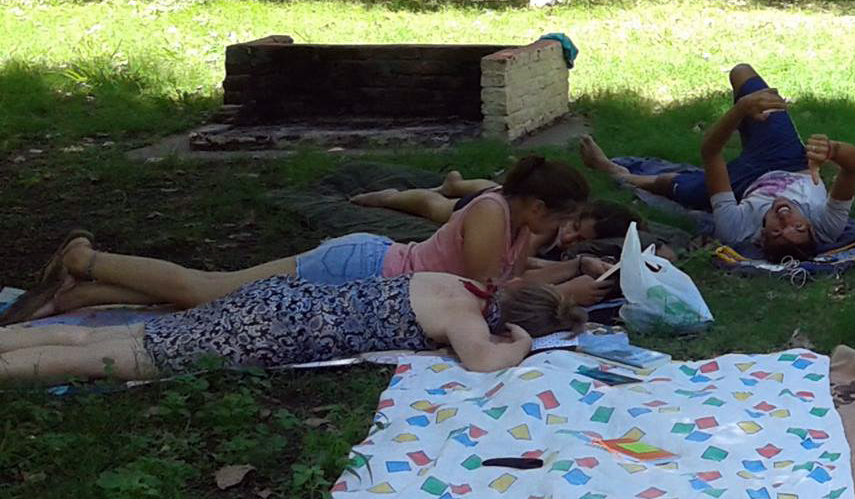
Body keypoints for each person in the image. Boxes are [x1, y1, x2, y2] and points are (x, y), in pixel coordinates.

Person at [1, 156, 591, 324]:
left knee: (209, 300)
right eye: (561, 220)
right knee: (210, 291)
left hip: (371, 280)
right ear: (537, 205)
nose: (560, 233)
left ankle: (80, 296)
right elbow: (491, 286)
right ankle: (86, 258)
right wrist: (568, 285)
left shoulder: (520, 228)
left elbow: (516, 280)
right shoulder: (491, 214)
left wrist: (579, 276)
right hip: (358, 269)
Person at [0, 272, 585, 388]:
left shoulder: (454, 284)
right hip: (263, 331)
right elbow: (483, 363)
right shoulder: (465, 320)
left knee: (108, 338)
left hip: (272, 301)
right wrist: (523, 346)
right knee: (106, 357)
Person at [579, 63, 855, 261]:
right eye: (798, 228)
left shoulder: (737, 228)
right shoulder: (827, 225)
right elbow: (853, 165)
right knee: (742, 73)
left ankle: (610, 168)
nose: (786, 217)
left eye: (777, 230)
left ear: (762, 237)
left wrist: (739, 112)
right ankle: (754, 125)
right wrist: (832, 149)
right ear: (811, 228)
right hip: (788, 159)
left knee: (673, 186)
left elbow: (711, 153)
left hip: (744, 184)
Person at [351, 172, 634, 257]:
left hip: (508, 197)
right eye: (573, 226)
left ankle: (456, 184)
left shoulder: (544, 218)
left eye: (579, 239)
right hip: (490, 204)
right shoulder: (544, 225)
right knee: (435, 206)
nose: (568, 236)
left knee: (494, 189)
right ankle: (386, 196)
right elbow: (516, 264)